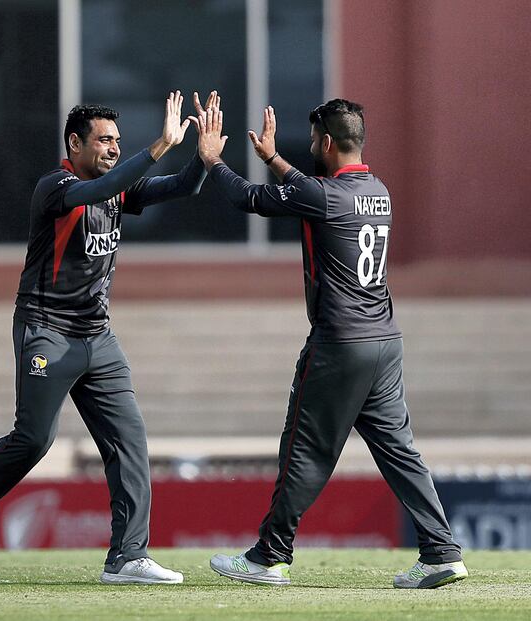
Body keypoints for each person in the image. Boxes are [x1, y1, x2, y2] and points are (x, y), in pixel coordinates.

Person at [0, 91, 212, 585]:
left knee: (130, 442)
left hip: (98, 338)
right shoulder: (56, 186)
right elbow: (101, 190)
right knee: (34, 439)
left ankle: (127, 557)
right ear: (74, 143)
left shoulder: (117, 187)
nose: (112, 149)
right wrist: (157, 147)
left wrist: (203, 160)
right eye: (103, 141)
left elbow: (181, 188)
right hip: (47, 331)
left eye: (117, 142)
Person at [194, 98, 467, 589]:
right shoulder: (377, 191)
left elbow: (249, 199)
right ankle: (442, 551)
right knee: (400, 451)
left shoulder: (323, 195)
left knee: (304, 449)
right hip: (383, 341)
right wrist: (275, 159)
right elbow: (308, 192)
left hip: (340, 344)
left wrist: (213, 161)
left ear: (323, 143)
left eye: (313, 139)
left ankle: (268, 557)